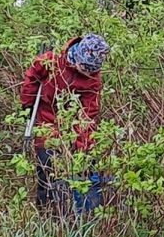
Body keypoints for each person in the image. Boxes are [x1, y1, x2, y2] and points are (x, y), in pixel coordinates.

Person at [19, 34, 110, 210]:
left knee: (80, 167)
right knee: (47, 167)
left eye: (91, 70)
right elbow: (31, 78)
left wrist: (83, 146)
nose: (87, 73)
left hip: (70, 124)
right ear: (77, 58)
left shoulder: (93, 80)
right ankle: (46, 212)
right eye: (85, 68)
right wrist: (27, 104)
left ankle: (73, 213)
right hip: (46, 120)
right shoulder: (52, 62)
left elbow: (87, 114)